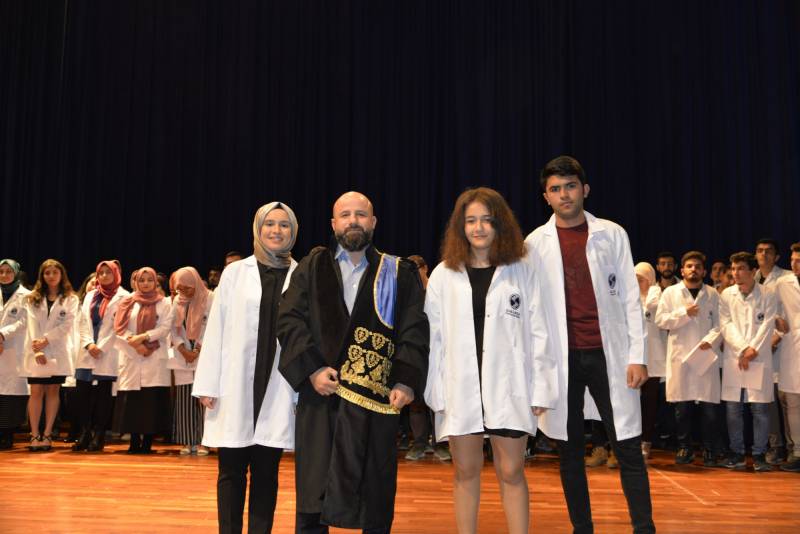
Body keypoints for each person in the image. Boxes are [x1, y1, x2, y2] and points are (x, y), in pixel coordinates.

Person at [277, 191, 429, 533]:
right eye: (345, 215)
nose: (353, 221)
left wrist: (406, 379)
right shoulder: (311, 267)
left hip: (374, 401)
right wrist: (312, 369)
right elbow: (289, 320)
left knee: (374, 496)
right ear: (334, 224)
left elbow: (415, 329)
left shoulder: (398, 272)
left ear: (373, 222)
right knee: (313, 496)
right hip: (322, 395)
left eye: (361, 215)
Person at [525, 156, 655, 533]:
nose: (564, 195)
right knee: (569, 451)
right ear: (546, 197)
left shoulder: (612, 234)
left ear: (584, 189)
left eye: (570, 186)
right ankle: (582, 528)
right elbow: (532, 313)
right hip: (562, 359)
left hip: (609, 356)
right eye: (555, 189)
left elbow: (630, 298)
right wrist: (536, 373)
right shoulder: (533, 244)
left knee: (627, 445)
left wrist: (637, 356)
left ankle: (644, 528)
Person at [424, 187, 554, 534]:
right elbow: (433, 339)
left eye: (486, 220)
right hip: (461, 388)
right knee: (465, 471)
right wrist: (435, 392)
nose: (479, 228)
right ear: (460, 227)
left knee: (511, 471)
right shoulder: (443, 275)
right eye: (471, 221)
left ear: (500, 224)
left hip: (509, 387)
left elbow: (540, 330)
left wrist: (542, 387)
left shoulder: (521, 270)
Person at [193, 202, 300, 533]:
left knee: (267, 472)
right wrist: (208, 384)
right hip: (236, 385)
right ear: (258, 228)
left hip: (278, 385)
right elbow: (216, 329)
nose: (276, 230)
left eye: (284, 225)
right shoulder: (235, 273)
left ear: (293, 232)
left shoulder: (302, 274)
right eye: (270, 223)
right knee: (230, 471)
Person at [655, 251, 725, 467]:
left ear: (704, 271)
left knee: (709, 409)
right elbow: (661, 320)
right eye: (689, 266)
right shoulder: (670, 293)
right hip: (681, 357)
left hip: (706, 356)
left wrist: (710, 340)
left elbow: (721, 324)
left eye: (697, 267)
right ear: (682, 270)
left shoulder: (713, 294)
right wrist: (684, 314)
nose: (693, 269)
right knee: (682, 408)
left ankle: (709, 449)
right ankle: (684, 447)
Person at [719, 252, 778, 471]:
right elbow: (725, 324)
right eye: (733, 269)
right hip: (735, 356)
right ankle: (737, 453)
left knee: (759, 410)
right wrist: (743, 349)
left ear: (753, 271)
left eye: (741, 268)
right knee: (733, 409)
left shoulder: (768, 293)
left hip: (759, 357)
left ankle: (759, 455)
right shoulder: (727, 295)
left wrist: (753, 350)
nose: (735, 273)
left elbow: (768, 324)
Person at [113, 267, 173, 454]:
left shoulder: (164, 303)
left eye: (149, 280)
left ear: (155, 282)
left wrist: (144, 337)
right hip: (131, 355)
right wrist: (136, 345)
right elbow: (119, 328)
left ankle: (147, 443)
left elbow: (165, 327)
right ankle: (133, 442)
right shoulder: (127, 302)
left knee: (150, 402)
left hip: (155, 356)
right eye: (142, 280)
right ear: (136, 282)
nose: (146, 283)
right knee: (133, 402)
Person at [22, 259, 79, 451]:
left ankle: (47, 434)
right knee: (36, 391)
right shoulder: (32, 298)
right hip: (36, 351)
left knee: (53, 391)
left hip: (57, 350)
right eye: (47, 273)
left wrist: (46, 340)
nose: (51, 276)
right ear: (42, 276)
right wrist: (38, 348)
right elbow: (31, 325)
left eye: (55, 272)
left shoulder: (71, 299)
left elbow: (67, 325)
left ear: (62, 275)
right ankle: (34, 434)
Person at [73, 260, 130, 452]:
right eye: (101, 273)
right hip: (87, 350)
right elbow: (82, 322)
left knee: (103, 396)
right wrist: (89, 344)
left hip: (108, 351)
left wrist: (101, 347)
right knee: (82, 394)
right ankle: (85, 433)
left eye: (108, 272)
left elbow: (119, 326)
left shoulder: (124, 296)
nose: (104, 276)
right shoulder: (91, 295)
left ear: (116, 274)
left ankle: (99, 435)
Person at [404, 254, 450, 463]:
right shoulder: (409, 294)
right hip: (418, 351)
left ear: (425, 268)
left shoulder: (438, 288)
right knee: (416, 399)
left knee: (438, 397)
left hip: (438, 351)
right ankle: (419, 442)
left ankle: (441, 443)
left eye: (417, 269)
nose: (414, 274)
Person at [753, 238, 795, 464]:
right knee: (765, 402)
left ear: (777, 257)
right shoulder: (751, 279)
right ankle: (775, 445)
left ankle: (792, 448)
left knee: (787, 401)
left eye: (769, 251)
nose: (764, 254)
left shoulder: (787, 278)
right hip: (759, 350)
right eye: (760, 251)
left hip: (784, 348)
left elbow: (789, 316)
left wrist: (775, 339)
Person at [169, 266, 213, 456]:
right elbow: (172, 327)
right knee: (185, 399)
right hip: (183, 355)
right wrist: (182, 348)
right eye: (180, 288)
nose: (184, 292)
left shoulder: (210, 298)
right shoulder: (177, 301)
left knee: (205, 399)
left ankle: (205, 441)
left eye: (187, 288)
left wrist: (197, 349)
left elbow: (212, 325)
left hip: (204, 352)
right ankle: (188, 440)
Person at [634, 262, 665, 460]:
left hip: (653, 357)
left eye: (641, 279)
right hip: (634, 357)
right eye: (635, 279)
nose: (637, 283)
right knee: (632, 403)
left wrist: (652, 293)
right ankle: (631, 441)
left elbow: (652, 310)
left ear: (651, 280)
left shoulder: (658, 297)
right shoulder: (628, 298)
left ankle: (646, 442)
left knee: (649, 402)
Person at [0, 259, 31, 449]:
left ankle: (7, 434)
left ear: (16, 273)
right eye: (1, 271)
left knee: (12, 394)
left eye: (8, 271)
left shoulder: (26, 296)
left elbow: (24, 322)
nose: (4, 275)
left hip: (14, 349)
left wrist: (2, 335)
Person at [776, 243, 800, 471]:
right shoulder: (783, 283)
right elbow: (770, 306)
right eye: (792, 260)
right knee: (793, 403)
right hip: (793, 350)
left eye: (799, 261)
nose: (794, 264)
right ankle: (797, 452)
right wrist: (776, 318)